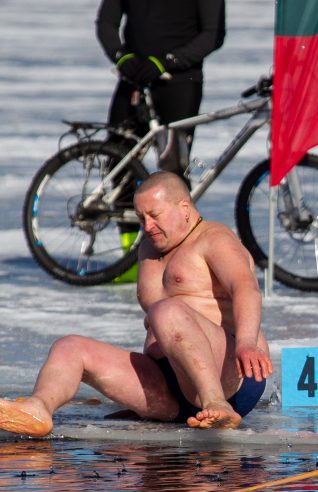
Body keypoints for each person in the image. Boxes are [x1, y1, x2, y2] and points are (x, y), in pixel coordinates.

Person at [0, 171, 272, 436]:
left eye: (155, 215)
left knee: (166, 311)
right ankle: (39, 409)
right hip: (169, 383)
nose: (147, 226)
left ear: (185, 208)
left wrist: (247, 341)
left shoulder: (215, 239)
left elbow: (245, 288)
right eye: (142, 218)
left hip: (229, 378)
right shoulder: (149, 248)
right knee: (70, 347)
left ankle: (215, 404)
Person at [96, 0, 226, 175]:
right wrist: (120, 56)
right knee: (119, 163)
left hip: (179, 83)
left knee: (174, 170)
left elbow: (213, 35)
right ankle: (122, 203)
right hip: (134, 79)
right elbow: (106, 22)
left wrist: (169, 61)